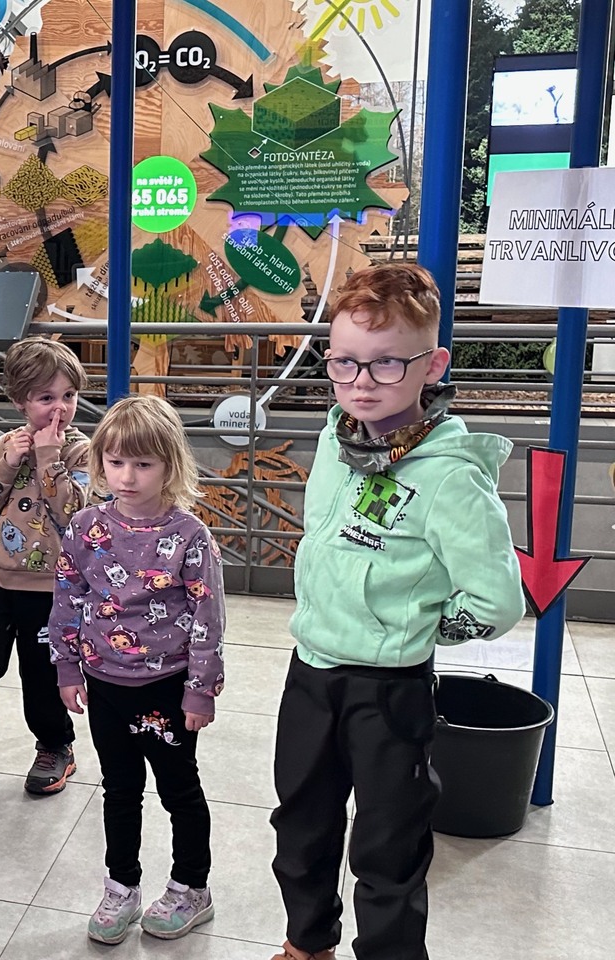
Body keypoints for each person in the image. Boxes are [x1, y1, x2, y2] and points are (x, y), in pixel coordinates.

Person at [269, 263, 525, 960]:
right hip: (310, 671)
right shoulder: (334, 437)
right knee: (301, 826)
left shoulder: (450, 475)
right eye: (344, 362)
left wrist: (414, 627)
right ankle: (307, 942)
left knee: (388, 846)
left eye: (386, 364)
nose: (361, 383)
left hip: (388, 690)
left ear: (432, 365)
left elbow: (498, 601)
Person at [49, 393, 225, 945]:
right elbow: (67, 597)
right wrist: (67, 667)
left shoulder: (190, 536)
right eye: (116, 462)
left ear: (170, 465)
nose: (127, 476)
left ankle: (192, 887)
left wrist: (200, 689)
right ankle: (121, 886)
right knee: (119, 789)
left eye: (143, 464)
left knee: (179, 789)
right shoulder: (84, 526)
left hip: (166, 687)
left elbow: (208, 615)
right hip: (103, 683)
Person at [0, 337, 89, 802]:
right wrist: (9, 462)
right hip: (0, 579)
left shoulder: (79, 451)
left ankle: (55, 745)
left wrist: (49, 456)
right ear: (20, 400)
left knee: (42, 675)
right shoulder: (7, 443)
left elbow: (73, 513)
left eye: (68, 396)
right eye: (46, 397)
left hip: (53, 588)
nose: (59, 408)